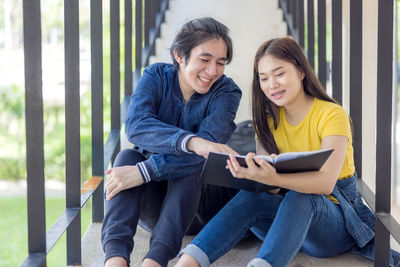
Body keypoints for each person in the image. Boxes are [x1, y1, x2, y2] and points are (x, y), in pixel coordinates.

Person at [175, 37, 400, 267]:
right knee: (251, 195)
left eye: (279, 74)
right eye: (264, 78)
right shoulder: (267, 120)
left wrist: (273, 177)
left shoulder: (333, 114)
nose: (271, 85)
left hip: (335, 221)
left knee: (301, 194)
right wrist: (255, 176)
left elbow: (324, 184)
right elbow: (271, 189)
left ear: (301, 72)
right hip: (287, 220)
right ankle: (188, 262)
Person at [101, 17, 242, 267]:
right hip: (153, 205)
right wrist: (191, 141)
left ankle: (155, 261)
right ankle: (115, 259)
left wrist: (145, 171)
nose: (213, 71)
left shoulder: (226, 92)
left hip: (200, 206)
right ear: (179, 55)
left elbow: (208, 151)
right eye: (204, 59)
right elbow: (136, 126)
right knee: (126, 158)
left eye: (221, 63)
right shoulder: (155, 76)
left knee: (194, 167)